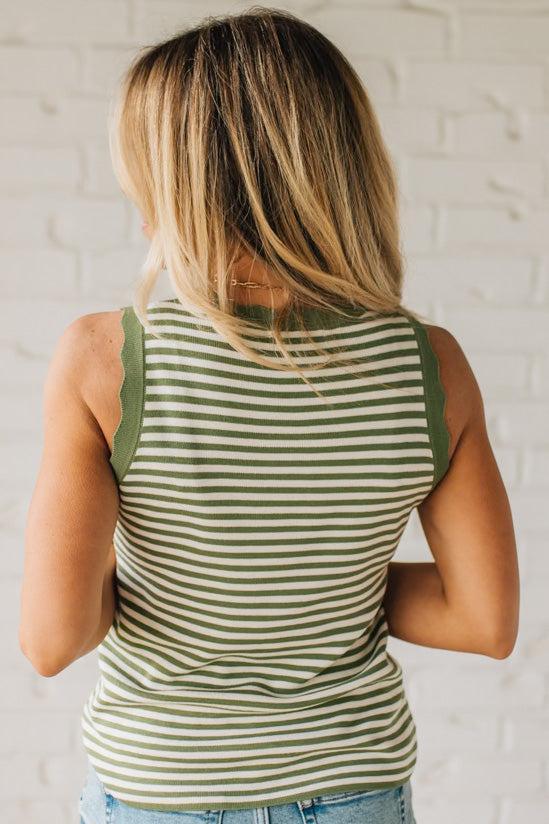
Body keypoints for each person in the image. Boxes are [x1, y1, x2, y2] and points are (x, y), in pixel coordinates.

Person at [18, 8, 519, 824]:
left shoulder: (106, 360)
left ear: (179, 187)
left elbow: (52, 639)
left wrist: (201, 590)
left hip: (165, 788)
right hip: (355, 788)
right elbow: (482, 620)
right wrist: (320, 596)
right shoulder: (430, 365)